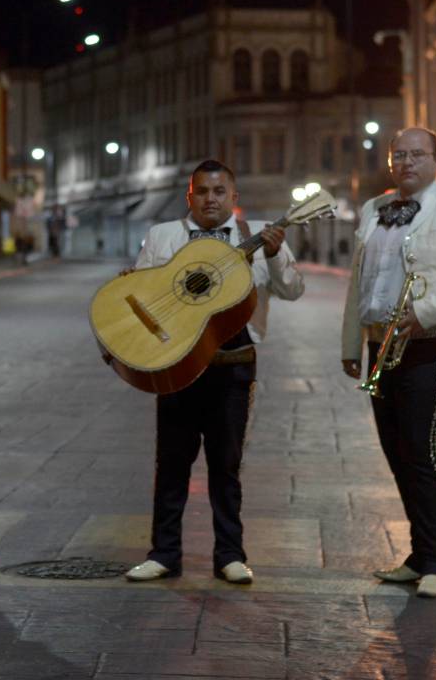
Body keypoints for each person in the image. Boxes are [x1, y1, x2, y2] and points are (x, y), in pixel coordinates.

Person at [123, 159, 305, 584]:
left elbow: (293, 290)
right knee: (171, 463)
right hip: (178, 364)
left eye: (219, 191)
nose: (210, 199)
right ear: (189, 197)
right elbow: (146, 297)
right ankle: (164, 553)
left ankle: (230, 554)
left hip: (234, 365)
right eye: (202, 191)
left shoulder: (258, 237)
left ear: (234, 197)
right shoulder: (162, 235)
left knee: (226, 464)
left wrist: (276, 256)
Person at [341, 127, 436, 599]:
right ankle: (418, 552)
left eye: (416, 155)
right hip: (378, 347)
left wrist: (423, 311)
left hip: (431, 344)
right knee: (397, 453)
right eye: (398, 155)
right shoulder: (373, 209)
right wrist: (352, 344)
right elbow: (359, 281)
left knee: (422, 451)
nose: (406, 163)